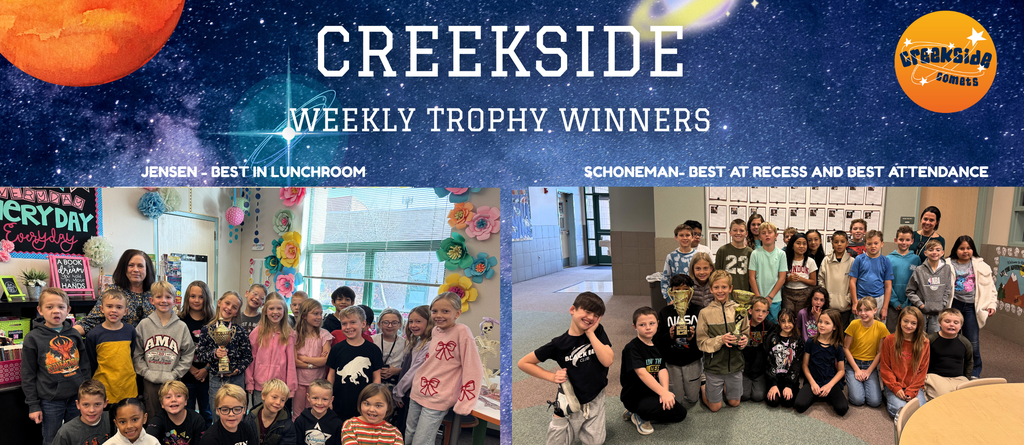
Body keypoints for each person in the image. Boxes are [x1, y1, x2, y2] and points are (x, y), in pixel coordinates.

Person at [517, 292, 612, 445]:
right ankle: (559, 415)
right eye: (587, 311)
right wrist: (551, 376)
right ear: (572, 309)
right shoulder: (559, 344)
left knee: (595, 442)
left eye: (596, 315)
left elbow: (607, 361)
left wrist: (590, 334)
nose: (591, 317)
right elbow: (523, 363)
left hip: (596, 396)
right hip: (572, 398)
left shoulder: (598, 331)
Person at [404, 293, 484, 445]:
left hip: (439, 396)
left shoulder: (462, 332)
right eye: (435, 311)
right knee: (409, 433)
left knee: (422, 441)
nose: (438, 315)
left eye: (445, 311)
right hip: (418, 391)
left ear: (457, 313)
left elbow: (473, 369)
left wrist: (466, 401)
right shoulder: (436, 331)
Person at [23, 287, 91, 445]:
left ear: (68, 310)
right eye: (49, 307)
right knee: (52, 439)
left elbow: (84, 365)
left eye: (61, 307)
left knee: (77, 436)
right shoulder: (33, 338)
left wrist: (85, 393)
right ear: (40, 310)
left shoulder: (74, 334)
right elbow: (28, 374)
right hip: (50, 401)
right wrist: (33, 405)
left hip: (76, 397)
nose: (56, 311)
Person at [620, 307, 686, 435]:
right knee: (654, 408)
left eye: (652, 323)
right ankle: (638, 415)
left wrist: (665, 392)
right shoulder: (631, 348)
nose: (648, 327)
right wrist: (662, 392)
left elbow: (662, 369)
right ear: (635, 326)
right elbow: (642, 373)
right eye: (642, 325)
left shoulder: (657, 345)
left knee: (680, 414)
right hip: (635, 396)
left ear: (657, 324)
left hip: (653, 391)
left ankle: (641, 411)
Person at [134, 281, 196, 417]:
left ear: (175, 300)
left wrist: (176, 373)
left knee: (174, 415)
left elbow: (189, 353)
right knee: (152, 416)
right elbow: (136, 353)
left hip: (173, 381)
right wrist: (145, 372)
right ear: (151, 300)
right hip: (150, 381)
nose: (163, 301)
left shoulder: (181, 327)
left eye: (168, 297)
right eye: (159, 297)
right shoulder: (143, 325)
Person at [195, 292, 254, 423]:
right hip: (216, 379)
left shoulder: (239, 331)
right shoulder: (207, 330)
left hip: (236, 379)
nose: (229, 308)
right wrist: (215, 354)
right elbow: (201, 354)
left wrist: (238, 369)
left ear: (236, 312)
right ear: (219, 302)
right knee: (218, 414)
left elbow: (248, 356)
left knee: (237, 413)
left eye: (234, 307)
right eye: (227, 303)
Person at [697, 270, 749, 412]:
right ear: (711, 289)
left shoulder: (740, 309)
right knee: (715, 407)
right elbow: (701, 342)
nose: (720, 291)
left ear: (730, 288)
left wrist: (745, 340)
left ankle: (725, 386)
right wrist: (721, 339)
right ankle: (703, 385)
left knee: (734, 403)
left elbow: (745, 333)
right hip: (714, 368)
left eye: (724, 287)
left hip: (735, 366)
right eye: (716, 287)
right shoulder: (705, 313)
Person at [945, 235, 997, 378]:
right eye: (962, 248)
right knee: (950, 337)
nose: (965, 251)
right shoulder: (947, 264)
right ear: (956, 249)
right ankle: (952, 369)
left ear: (973, 249)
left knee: (972, 342)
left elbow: (991, 288)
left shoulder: (982, 266)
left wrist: (992, 304)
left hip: (971, 307)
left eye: (969, 248)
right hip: (953, 306)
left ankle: (974, 372)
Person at [76, 250, 157, 334]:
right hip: (119, 343)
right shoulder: (113, 291)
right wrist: (68, 334)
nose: (135, 270)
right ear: (124, 268)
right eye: (131, 265)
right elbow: (91, 321)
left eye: (140, 266)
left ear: (148, 269)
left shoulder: (156, 293)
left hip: (153, 344)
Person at [326, 306, 384, 421]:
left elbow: (377, 377)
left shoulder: (373, 350)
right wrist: (328, 398)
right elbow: (331, 376)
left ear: (363, 324)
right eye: (344, 323)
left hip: (365, 402)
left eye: (353, 322)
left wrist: (374, 400)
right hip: (340, 402)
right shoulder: (336, 349)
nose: (348, 327)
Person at [653, 274, 702, 407]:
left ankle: (702, 384)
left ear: (691, 291)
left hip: (692, 359)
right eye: (677, 290)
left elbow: (704, 339)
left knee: (693, 399)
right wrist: (669, 335)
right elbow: (656, 340)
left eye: (685, 289)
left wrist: (693, 338)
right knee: (677, 400)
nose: (681, 293)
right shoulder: (664, 312)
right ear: (671, 292)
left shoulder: (699, 311)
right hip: (672, 361)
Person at [85, 288, 138, 406]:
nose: (114, 310)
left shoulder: (130, 331)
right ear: (101, 309)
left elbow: (132, 355)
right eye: (109, 306)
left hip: (127, 386)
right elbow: (91, 363)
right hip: (104, 388)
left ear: (126, 311)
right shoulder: (93, 335)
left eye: (119, 307)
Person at [794, 309, 848, 416]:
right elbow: (805, 365)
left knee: (842, 409)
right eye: (820, 322)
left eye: (826, 323)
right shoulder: (810, 342)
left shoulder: (838, 346)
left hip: (830, 380)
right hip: (813, 380)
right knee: (799, 405)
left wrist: (829, 386)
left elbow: (841, 371)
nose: (821, 325)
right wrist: (813, 383)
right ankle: (817, 394)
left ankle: (823, 393)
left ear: (835, 327)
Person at [246, 292, 298, 403]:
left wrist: (291, 387)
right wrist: (249, 382)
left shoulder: (289, 334)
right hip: (260, 386)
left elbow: (291, 363)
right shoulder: (257, 333)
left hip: (280, 386)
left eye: (279, 308)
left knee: (277, 417)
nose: (275, 312)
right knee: (259, 416)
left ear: (284, 311)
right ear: (265, 311)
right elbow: (251, 359)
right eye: (271, 308)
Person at [879, 307, 930, 419]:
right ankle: (888, 394)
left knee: (920, 412)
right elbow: (885, 368)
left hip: (913, 385)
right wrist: (895, 388)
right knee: (900, 412)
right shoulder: (889, 340)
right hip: (893, 384)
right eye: (905, 321)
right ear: (900, 321)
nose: (908, 325)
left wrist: (912, 391)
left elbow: (922, 370)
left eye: (913, 323)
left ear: (918, 325)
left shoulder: (924, 343)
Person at [392, 306, 434, 435]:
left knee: (408, 429)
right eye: (411, 321)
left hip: (412, 392)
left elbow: (414, 371)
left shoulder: (429, 344)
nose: (413, 325)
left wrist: (398, 391)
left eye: (418, 321)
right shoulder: (419, 341)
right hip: (409, 392)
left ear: (429, 322)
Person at [180, 281, 216, 427]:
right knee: (187, 412)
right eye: (193, 296)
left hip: (206, 376)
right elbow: (177, 350)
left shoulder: (213, 321)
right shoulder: (180, 320)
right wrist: (192, 369)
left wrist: (206, 369)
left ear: (206, 298)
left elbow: (218, 349)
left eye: (200, 297)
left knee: (206, 413)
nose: (196, 300)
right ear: (187, 298)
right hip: (186, 375)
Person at [842, 297, 888, 408]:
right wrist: (857, 370)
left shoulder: (881, 327)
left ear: (875, 310)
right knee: (858, 400)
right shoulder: (854, 324)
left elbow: (880, 353)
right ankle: (853, 382)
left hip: (870, 365)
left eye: (867, 310)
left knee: (875, 402)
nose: (863, 313)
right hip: (853, 364)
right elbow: (845, 348)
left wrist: (868, 371)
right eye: (860, 310)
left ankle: (863, 381)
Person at [293, 299, 334, 420]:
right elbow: (295, 361)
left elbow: (325, 361)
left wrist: (303, 358)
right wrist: (314, 363)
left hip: (317, 383)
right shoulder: (295, 335)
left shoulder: (324, 334)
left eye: (321, 314)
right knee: (297, 414)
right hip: (299, 382)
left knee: (315, 414)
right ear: (304, 315)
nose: (319, 317)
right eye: (315, 314)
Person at [922, 308, 973, 402]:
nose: (951, 324)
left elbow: (969, 361)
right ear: (940, 323)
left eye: (956, 322)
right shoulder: (931, 340)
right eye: (947, 321)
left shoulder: (965, 342)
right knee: (943, 397)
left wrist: (967, 378)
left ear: (961, 326)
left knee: (966, 398)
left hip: (958, 377)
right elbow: (921, 360)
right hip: (936, 376)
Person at [907, 240, 953, 334]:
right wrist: (921, 304)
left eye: (937, 250)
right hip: (922, 311)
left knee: (934, 336)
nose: (934, 252)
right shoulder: (919, 270)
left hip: (938, 312)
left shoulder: (947, 269)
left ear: (942, 252)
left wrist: (943, 303)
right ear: (925, 252)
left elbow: (948, 288)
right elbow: (909, 291)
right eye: (931, 250)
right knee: (920, 335)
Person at [849, 230, 894, 322]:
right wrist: (855, 302)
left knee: (878, 329)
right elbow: (852, 282)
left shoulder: (886, 261)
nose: (873, 246)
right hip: (861, 298)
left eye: (876, 243)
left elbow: (888, 286)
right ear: (865, 244)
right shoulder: (859, 259)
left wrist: (885, 308)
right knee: (861, 328)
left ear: (882, 244)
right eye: (869, 244)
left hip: (879, 299)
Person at [145, 381, 207, 445]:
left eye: (178, 396)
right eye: (168, 397)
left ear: (185, 401)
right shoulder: (157, 420)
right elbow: (148, 439)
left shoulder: (197, 420)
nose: (173, 400)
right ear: (162, 404)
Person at [764, 309, 804, 409]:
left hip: (790, 379)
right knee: (773, 401)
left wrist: (789, 385)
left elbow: (797, 364)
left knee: (788, 402)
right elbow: (769, 362)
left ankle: (788, 388)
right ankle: (774, 387)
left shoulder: (798, 341)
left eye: (790, 321)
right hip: (775, 378)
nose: (787, 324)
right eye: (783, 321)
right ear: (778, 322)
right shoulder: (772, 338)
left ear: (794, 321)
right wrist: (773, 384)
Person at [52, 379, 112, 445]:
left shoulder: (113, 420)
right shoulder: (66, 432)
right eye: (86, 405)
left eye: (97, 404)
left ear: (105, 403)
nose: (91, 410)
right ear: (78, 404)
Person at [748, 221, 787, 322]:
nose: (767, 235)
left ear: (776, 235)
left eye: (770, 232)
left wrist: (770, 297)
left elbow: (782, 278)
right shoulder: (755, 254)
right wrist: (758, 297)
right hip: (758, 297)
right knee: (757, 326)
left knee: (773, 327)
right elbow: (752, 277)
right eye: (764, 233)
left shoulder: (781, 254)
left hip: (775, 299)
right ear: (759, 237)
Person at [888, 226, 922, 333]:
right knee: (891, 331)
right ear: (895, 240)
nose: (904, 242)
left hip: (910, 303)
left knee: (908, 331)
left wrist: (908, 302)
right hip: (892, 303)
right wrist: (894, 301)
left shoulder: (916, 259)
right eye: (901, 239)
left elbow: (917, 283)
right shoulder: (888, 258)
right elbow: (886, 282)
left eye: (907, 240)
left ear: (912, 241)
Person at [741, 296, 775, 403]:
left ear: (767, 313)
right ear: (750, 311)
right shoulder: (743, 325)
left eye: (764, 311)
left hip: (761, 370)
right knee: (744, 396)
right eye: (757, 310)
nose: (760, 314)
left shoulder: (771, 327)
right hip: (745, 369)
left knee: (758, 397)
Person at [819, 231, 855, 328]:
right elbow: (821, 279)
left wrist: (848, 299)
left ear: (847, 243)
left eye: (842, 241)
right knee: (828, 330)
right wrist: (825, 297)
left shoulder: (852, 262)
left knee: (842, 331)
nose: (839, 244)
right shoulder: (826, 260)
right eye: (836, 242)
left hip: (844, 305)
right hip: (829, 305)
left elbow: (854, 283)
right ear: (832, 243)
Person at [294, 379, 344, 445]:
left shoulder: (338, 424)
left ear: (331, 400)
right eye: (315, 398)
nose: (319, 403)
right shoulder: (300, 421)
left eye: (325, 399)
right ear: (308, 397)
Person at [247, 379, 296, 445]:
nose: (278, 402)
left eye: (282, 400)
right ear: (263, 396)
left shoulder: (287, 425)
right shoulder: (250, 419)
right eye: (274, 397)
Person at [782, 232, 818, 314]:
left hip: (805, 294)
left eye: (804, 244)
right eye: (798, 243)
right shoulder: (785, 260)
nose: (801, 246)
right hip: (788, 293)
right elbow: (781, 280)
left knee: (801, 318)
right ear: (792, 245)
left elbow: (813, 282)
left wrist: (801, 279)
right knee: (788, 316)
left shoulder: (810, 261)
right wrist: (789, 279)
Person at [372, 308, 407, 391]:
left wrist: (397, 371)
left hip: (395, 383)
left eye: (394, 323)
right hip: (373, 381)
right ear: (379, 324)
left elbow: (409, 367)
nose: (390, 326)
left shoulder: (406, 343)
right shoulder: (372, 340)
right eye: (386, 322)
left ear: (400, 325)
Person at [715, 218, 753, 292]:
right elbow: (717, 275)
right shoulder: (722, 250)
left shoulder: (750, 253)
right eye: (735, 230)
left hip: (744, 294)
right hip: (725, 294)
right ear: (730, 233)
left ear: (746, 233)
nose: (738, 233)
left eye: (741, 230)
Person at [661, 224, 697, 301]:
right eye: (681, 235)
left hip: (694, 298)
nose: (684, 238)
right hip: (676, 298)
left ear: (693, 237)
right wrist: (669, 298)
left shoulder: (697, 256)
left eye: (687, 235)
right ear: (676, 238)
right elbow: (665, 279)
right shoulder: (671, 257)